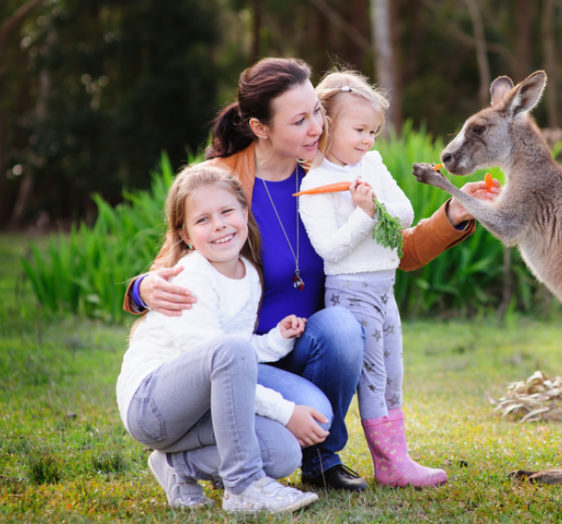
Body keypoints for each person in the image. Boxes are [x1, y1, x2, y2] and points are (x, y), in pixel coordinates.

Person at [123, 57, 494, 491]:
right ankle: (215, 451)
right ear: (261, 128)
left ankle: (322, 461)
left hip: (303, 343)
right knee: (290, 433)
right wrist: (140, 290)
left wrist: (452, 213)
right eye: (299, 120)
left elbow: (397, 252)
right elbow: (174, 266)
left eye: (316, 111)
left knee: (341, 327)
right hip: (245, 356)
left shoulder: (329, 172)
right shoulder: (221, 183)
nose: (317, 128)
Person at [116, 164, 319, 513]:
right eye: (203, 219)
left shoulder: (247, 274)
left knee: (283, 452)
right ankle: (244, 487)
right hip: (152, 404)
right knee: (235, 358)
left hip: (200, 413)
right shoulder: (193, 276)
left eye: (226, 211)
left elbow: (236, 357)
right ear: (185, 233)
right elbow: (223, 355)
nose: (220, 225)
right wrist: (286, 411)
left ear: (244, 211)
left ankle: (177, 466)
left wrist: (276, 340)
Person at [297, 70, 443, 487]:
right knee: (373, 376)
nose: (368, 140)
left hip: (385, 287)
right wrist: (365, 214)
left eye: (374, 132)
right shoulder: (317, 184)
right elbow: (331, 249)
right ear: (326, 126)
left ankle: (395, 460)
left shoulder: (372, 164)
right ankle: (391, 464)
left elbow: (405, 212)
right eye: (359, 129)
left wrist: (373, 206)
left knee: (394, 370)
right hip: (350, 291)